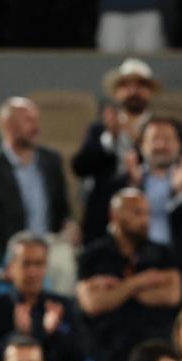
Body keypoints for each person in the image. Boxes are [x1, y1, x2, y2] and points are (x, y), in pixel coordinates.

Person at [86, 116, 182, 302]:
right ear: (141, 146)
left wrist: (180, 194)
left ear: (180, 145)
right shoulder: (121, 183)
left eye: (168, 139)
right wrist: (133, 188)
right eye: (154, 139)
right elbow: (97, 225)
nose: (161, 145)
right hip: (129, 273)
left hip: (181, 275)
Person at [76, 190, 182, 361]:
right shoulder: (92, 255)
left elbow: (172, 295)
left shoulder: (163, 253)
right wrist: (142, 281)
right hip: (108, 360)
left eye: (147, 213)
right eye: (137, 213)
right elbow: (93, 304)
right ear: (114, 216)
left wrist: (117, 289)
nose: (145, 220)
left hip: (154, 357)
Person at [0, 233, 89, 361]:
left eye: (39, 264)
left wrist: (54, 334)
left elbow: (81, 358)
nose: (32, 272)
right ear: (11, 267)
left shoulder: (63, 306)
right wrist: (18, 335)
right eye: (26, 263)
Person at [73, 58, 160, 236]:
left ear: (150, 92)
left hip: (150, 213)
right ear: (116, 92)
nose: (133, 91)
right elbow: (80, 167)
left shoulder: (161, 130)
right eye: (126, 85)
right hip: (103, 215)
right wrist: (109, 138)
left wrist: (139, 140)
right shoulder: (99, 129)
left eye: (140, 85)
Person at [0, 98, 71, 267]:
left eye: (36, 119)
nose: (36, 127)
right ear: (7, 124)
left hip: (50, 252)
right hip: (9, 258)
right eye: (28, 120)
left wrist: (68, 226)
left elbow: (62, 210)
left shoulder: (51, 161)